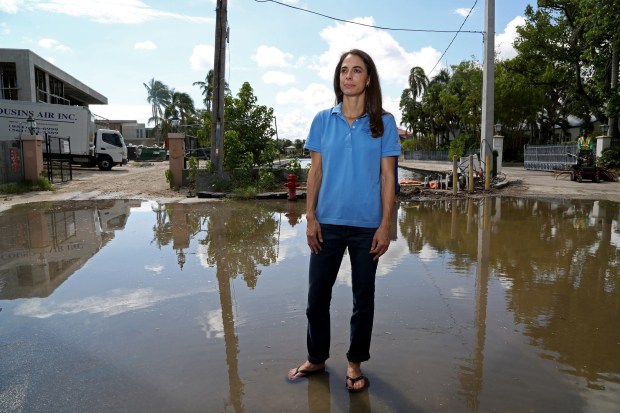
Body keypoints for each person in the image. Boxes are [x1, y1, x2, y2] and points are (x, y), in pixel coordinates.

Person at [287, 49, 401, 393]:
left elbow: (387, 177)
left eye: (356, 70)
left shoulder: (385, 122)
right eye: (343, 71)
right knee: (316, 297)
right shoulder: (323, 120)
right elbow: (316, 172)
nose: (348, 76)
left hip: (368, 227)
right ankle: (317, 357)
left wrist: (385, 225)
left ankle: (354, 364)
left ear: (369, 79)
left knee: (363, 298)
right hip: (327, 224)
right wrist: (310, 217)